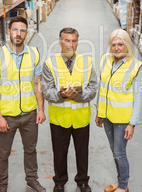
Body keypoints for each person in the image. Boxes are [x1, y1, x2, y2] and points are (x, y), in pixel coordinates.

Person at [0, 16, 46, 192]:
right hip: (7, 116)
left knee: (30, 150)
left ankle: (32, 180)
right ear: (9, 31)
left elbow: (38, 84)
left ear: (26, 33)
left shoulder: (34, 53)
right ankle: (2, 186)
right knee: (3, 154)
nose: (18, 34)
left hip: (29, 114)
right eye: (15, 30)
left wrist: (41, 109)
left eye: (22, 30)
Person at [42, 27, 98, 192]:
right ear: (60, 42)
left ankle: (82, 181)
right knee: (59, 154)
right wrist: (62, 95)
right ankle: (60, 182)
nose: (70, 44)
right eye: (67, 40)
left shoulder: (86, 62)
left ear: (77, 42)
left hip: (81, 117)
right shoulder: (50, 64)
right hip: (59, 118)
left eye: (74, 41)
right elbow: (47, 91)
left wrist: (77, 97)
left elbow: (93, 88)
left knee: (82, 153)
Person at [95, 29, 142, 192]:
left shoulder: (135, 66)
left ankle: (123, 186)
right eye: (114, 44)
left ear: (127, 45)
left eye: (120, 44)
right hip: (107, 116)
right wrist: (99, 112)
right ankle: (119, 181)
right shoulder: (105, 60)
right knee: (114, 151)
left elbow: (138, 97)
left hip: (123, 119)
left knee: (119, 153)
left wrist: (132, 123)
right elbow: (102, 88)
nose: (117, 48)